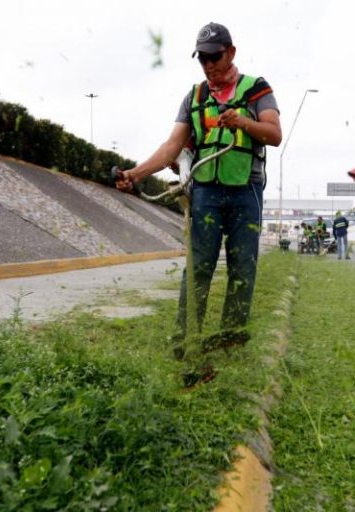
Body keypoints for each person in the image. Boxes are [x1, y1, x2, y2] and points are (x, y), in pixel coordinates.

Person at [115, 22, 282, 352]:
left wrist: (242, 122)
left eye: (214, 57)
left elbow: (274, 135)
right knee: (199, 267)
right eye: (202, 59)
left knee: (242, 267)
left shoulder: (256, 89)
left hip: (245, 191)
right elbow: (171, 148)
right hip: (205, 191)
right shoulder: (195, 97)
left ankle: (230, 342)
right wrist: (135, 174)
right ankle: (187, 340)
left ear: (231, 53)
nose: (208, 66)